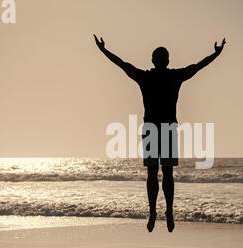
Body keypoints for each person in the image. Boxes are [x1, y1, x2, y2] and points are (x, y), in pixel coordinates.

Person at [94, 34, 226, 232]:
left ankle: (154, 212)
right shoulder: (174, 76)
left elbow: (122, 64)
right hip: (168, 128)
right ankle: (168, 211)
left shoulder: (145, 77)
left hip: (151, 129)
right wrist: (216, 54)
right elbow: (198, 66)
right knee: (167, 174)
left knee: (152, 174)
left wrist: (103, 50)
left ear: (153, 61)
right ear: (167, 61)